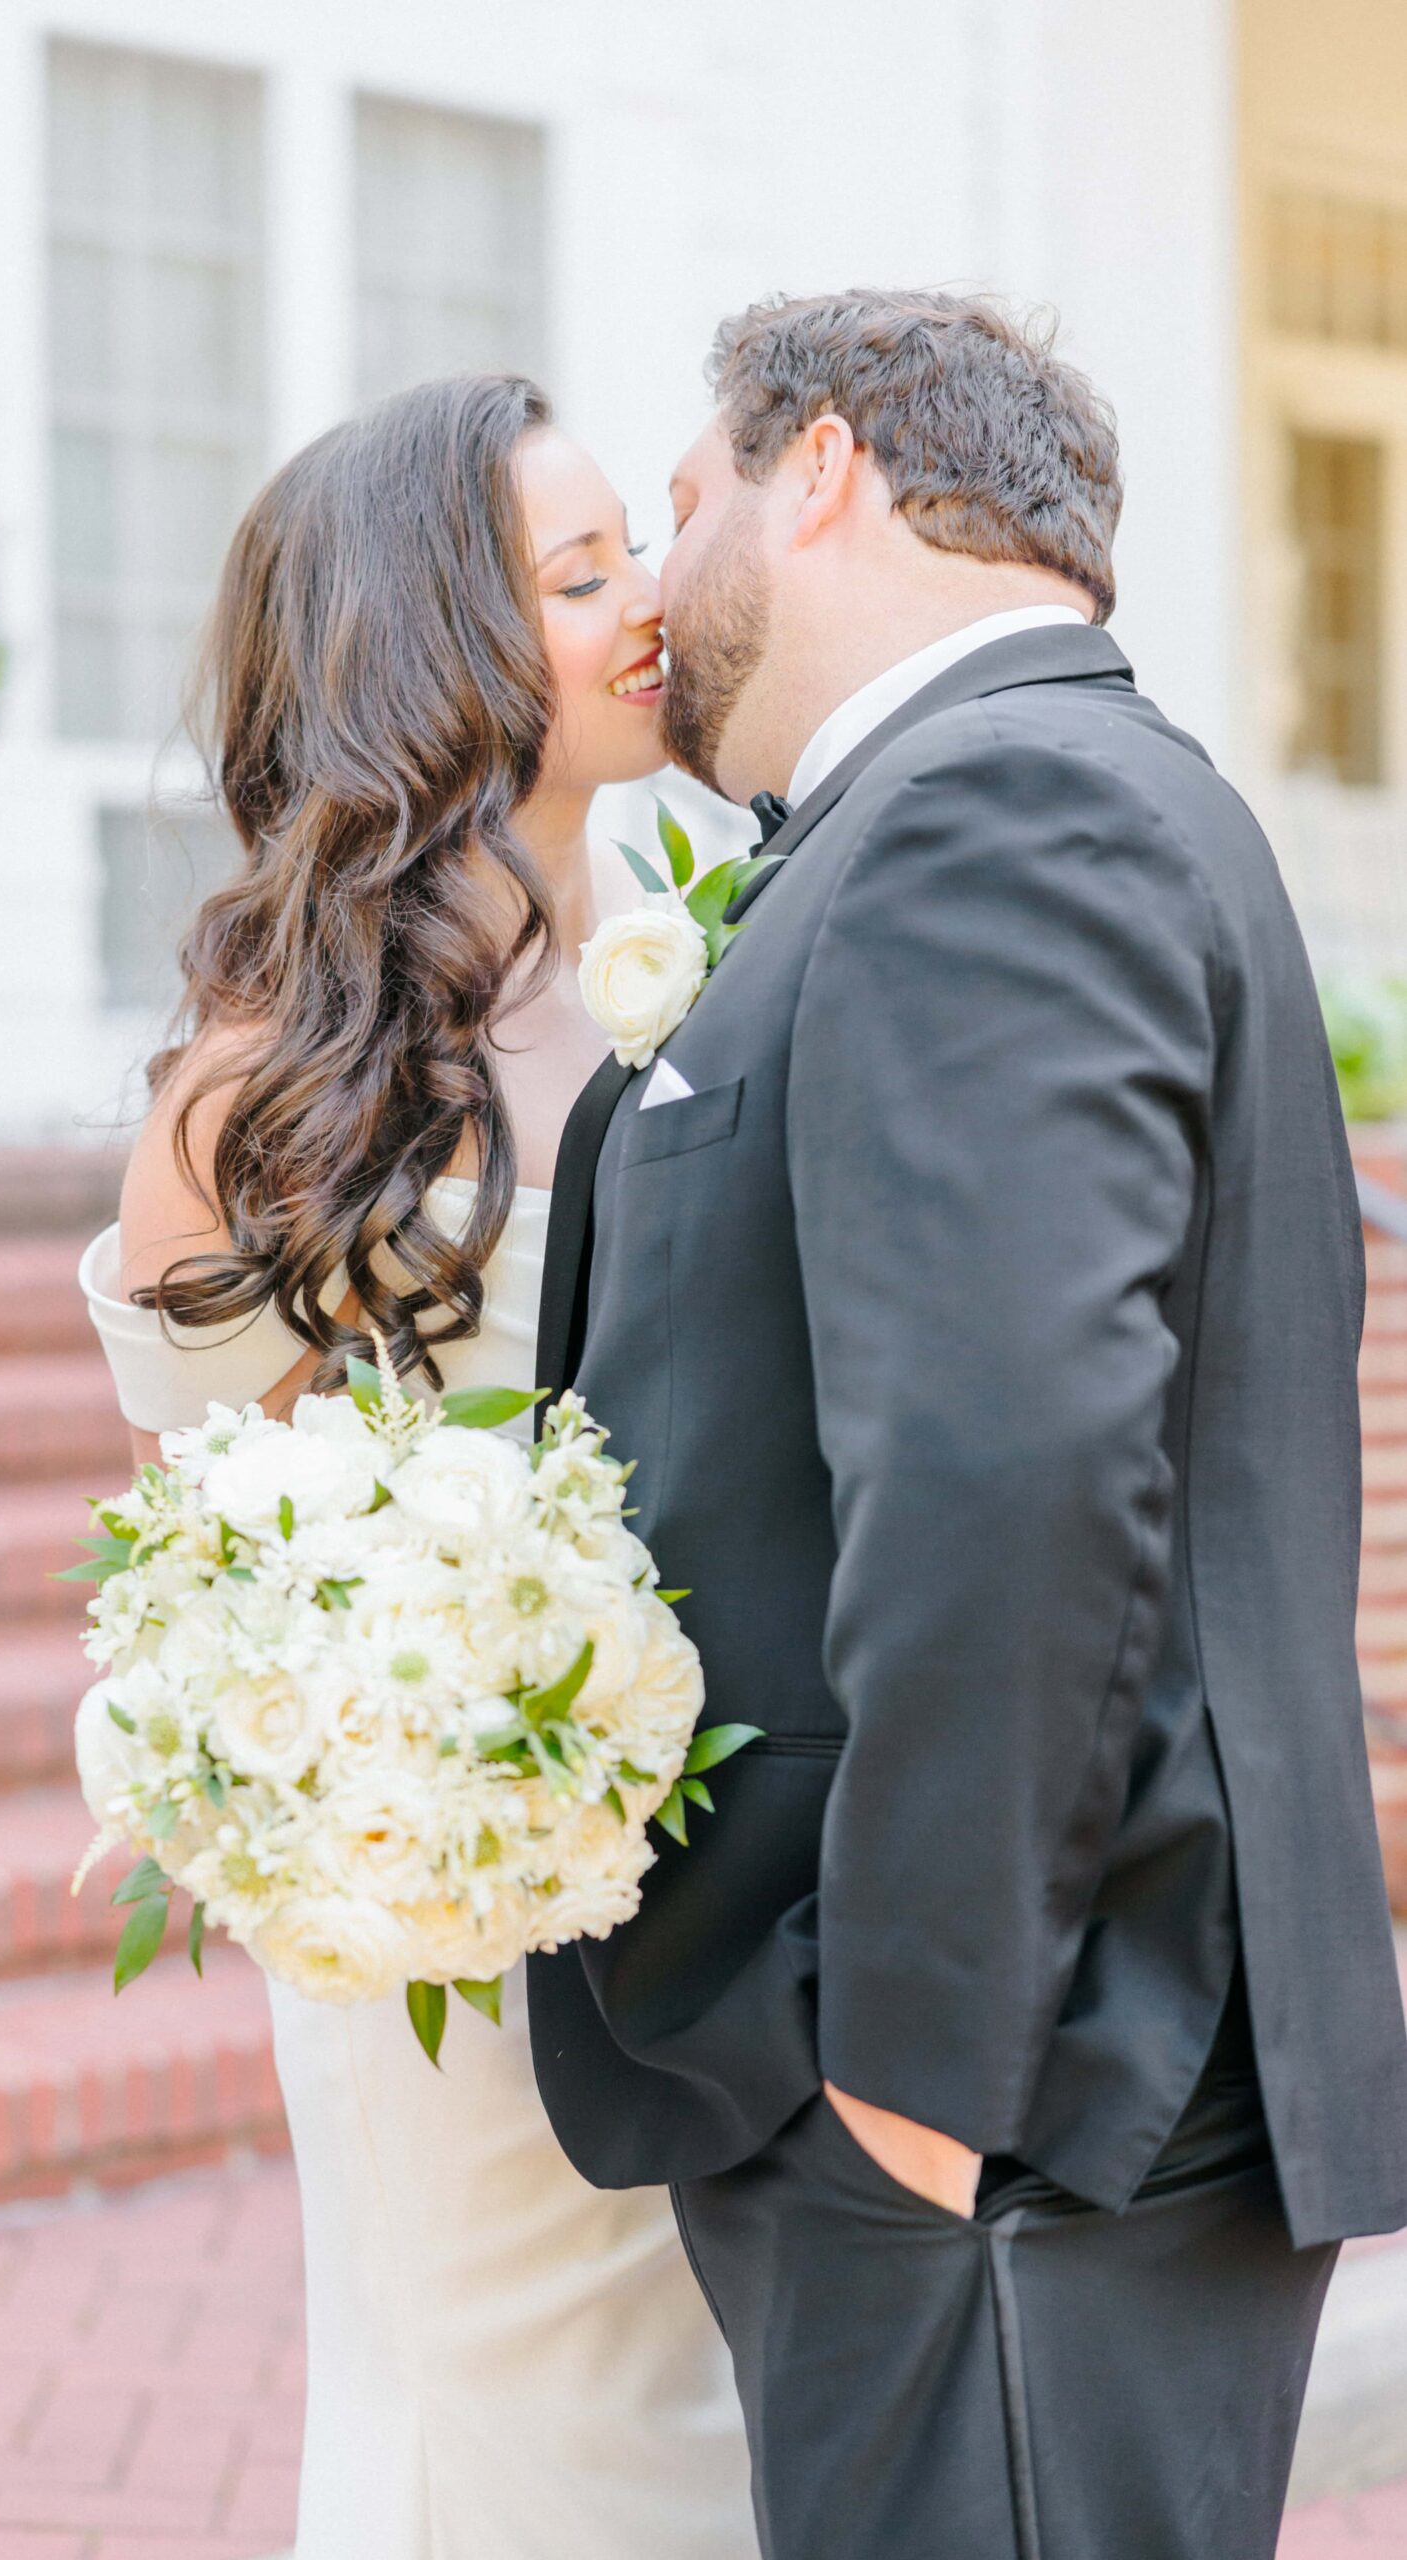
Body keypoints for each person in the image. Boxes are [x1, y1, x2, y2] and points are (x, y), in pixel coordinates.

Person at [527, 289, 1407, 2560]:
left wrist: (916, 2078)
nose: (663, 574)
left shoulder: (991, 804)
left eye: (689, 496)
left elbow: (1011, 1463)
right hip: (1040, 2096)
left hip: (1010, 2113)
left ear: (819, 467)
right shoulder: (1048, 793)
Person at [79, 373, 757, 2560]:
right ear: (430, 655)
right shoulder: (258, 1097)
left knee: (699, 2430)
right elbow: (226, 1566)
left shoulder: (704, 970)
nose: (643, 603)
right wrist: (427, 1760)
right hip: (450, 1900)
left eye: (624, 552)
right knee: (522, 2436)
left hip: (706, 1857)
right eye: (577, 578)